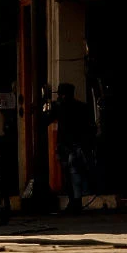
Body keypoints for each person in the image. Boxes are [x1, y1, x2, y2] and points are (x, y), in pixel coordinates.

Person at [45, 83, 96, 214]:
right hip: (80, 145)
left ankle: (74, 202)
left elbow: (46, 120)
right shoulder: (82, 107)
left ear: (62, 95)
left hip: (66, 146)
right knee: (78, 174)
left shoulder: (60, 108)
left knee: (69, 175)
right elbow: (91, 126)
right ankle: (77, 200)